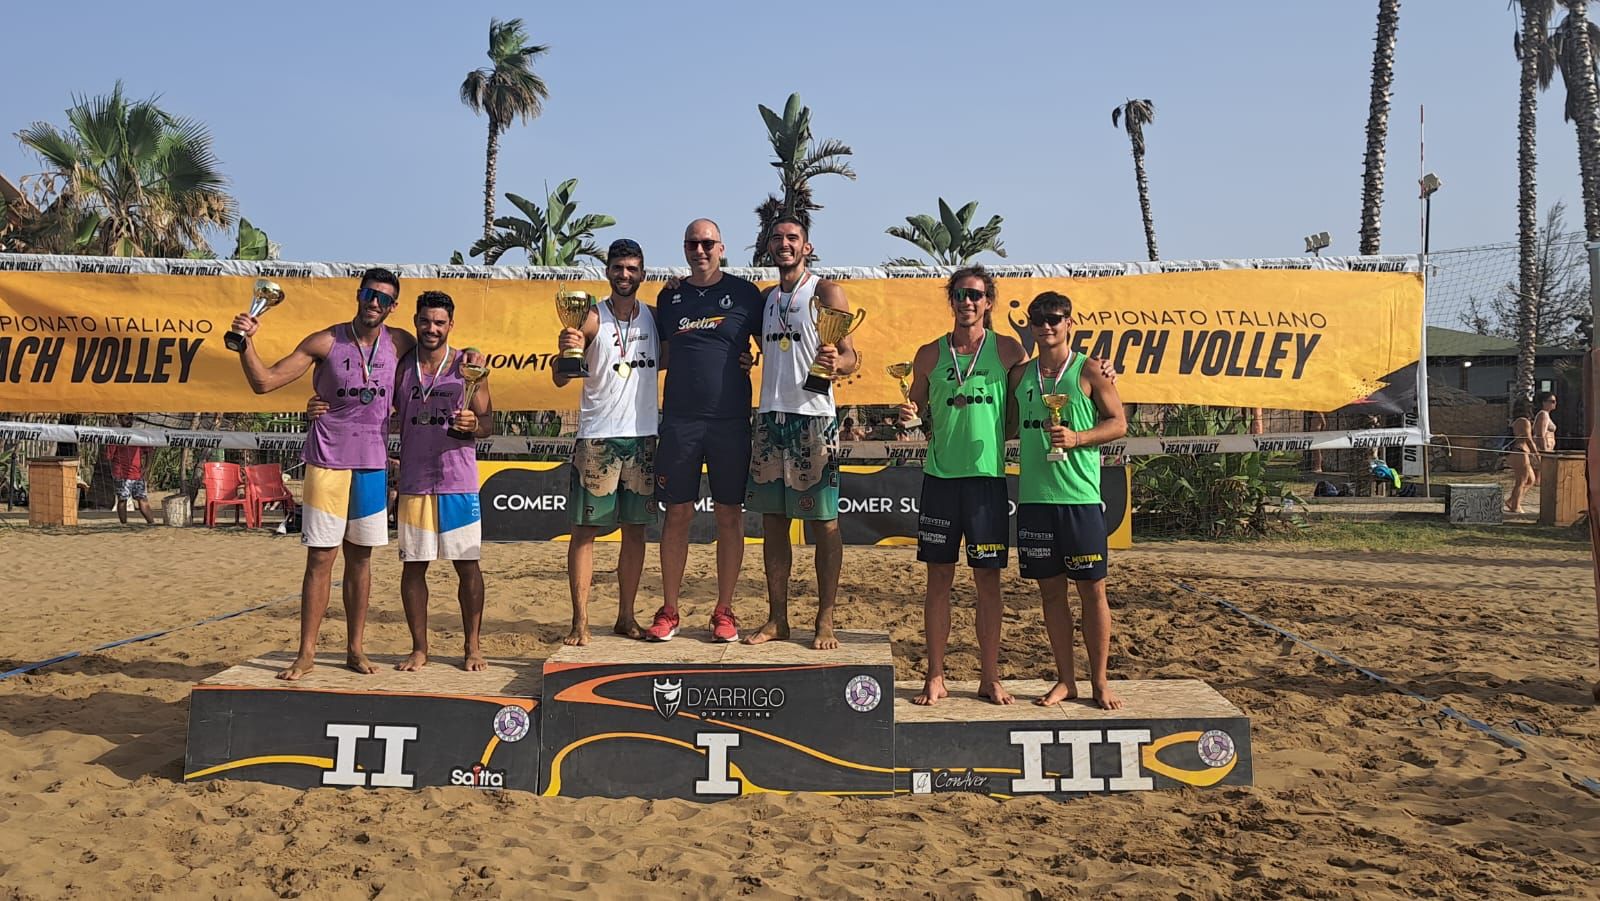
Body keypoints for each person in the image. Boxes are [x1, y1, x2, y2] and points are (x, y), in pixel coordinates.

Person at [233, 267, 413, 680]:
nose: (375, 303)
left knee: (361, 560)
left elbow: (438, 359)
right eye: (370, 294)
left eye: (384, 299)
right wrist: (245, 342)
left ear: (393, 306)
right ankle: (306, 653)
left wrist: (471, 357)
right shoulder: (325, 341)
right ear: (358, 294)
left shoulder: (400, 342)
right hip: (327, 462)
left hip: (372, 464)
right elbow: (264, 383)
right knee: (320, 559)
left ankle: (355, 649)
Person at [898, 265, 1029, 705]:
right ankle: (935, 675)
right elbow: (914, 408)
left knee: (988, 582)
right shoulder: (929, 355)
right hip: (939, 479)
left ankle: (989, 676)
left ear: (988, 301)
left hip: (986, 480)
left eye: (975, 295)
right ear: (950, 300)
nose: (967, 302)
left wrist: (1101, 367)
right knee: (938, 580)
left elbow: (1040, 389)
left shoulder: (1010, 351)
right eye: (959, 294)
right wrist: (908, 417)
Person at [1007, 291, 1127, 710]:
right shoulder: (1021, 376)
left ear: (1069, 323)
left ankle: (1099, 681)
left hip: (1080, 499)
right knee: (1051, 595)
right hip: (1036, 500)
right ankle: (1066, 680)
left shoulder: (1090, 369)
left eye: (1054, 318)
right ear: (1031, 324)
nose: (1046, 325)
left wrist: (1078, 439)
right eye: (1038, 318)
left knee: (1093, 592)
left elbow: (1118, 423)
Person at [743, 216, 860, 649]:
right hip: (771, 417)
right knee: (773, 523)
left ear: (807, 247)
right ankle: (778, 619)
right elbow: (761, 349)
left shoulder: (825, 291)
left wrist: (838, 364)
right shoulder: (766, 298)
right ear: (769, 247)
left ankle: (824, 619)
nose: (785, 244)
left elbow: (850, 356)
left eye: (793, 238)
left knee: (825, 523)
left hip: (813, 417)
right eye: (778, 238)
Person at [646, 219, 764, 643]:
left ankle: (724, 611)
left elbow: (773, 345)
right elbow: (656, 352)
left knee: (730, 516)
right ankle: (670, 609)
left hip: (731, 422)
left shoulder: (747, 294)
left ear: (721, 247)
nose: (700, 250)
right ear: (684, 248)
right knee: (677, 514)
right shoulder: (670, 296)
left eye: (708, 243)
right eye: (693, 243)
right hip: (680, 421)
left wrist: (749, 361)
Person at [555, 238, 659, 646]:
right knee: (584, 532)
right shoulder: (589, 318)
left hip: (643, 438)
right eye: (618, 267)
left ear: (642, 274)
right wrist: (564, 354)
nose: (625, 275)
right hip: (597, 438)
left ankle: (625, 616)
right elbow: (561, 377)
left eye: (632, 268)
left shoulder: (652, 318)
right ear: (607, 272)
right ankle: (580, 621)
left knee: (635, 532)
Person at [391, 291, 492, 672]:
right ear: (415, 321)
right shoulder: (402, 367)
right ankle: (420, 648)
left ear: (451, 325)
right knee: (414, 566)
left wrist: (473, 427)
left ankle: (473, 647)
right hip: (415, 481)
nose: (431, 329)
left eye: (439, 323)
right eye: (425, 321)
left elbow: (487, 424)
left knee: (467, 565)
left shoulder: (468, 366)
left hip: (458, 481)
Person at [104, 415, 154, 525]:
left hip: (137, 474)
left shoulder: (138, 435)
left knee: (142, 499)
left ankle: (152, 523)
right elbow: (108, 456)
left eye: (131, 418)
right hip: (121, 474)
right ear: (120, 420)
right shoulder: (116, 435)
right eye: (126, 418)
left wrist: (147, 466)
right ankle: (124, 524)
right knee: (122, 499)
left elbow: (149, 450)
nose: (129, 420)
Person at [1506, 415, 1540, 514]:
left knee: (1531, 480)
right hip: (1520, 452)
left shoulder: (1520, 421)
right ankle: (1515, 506)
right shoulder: (1523, 421)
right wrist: (1537, 454)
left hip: (1523, 452)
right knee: (1521, 481)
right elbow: (1528, 439)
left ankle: (1512, 500)